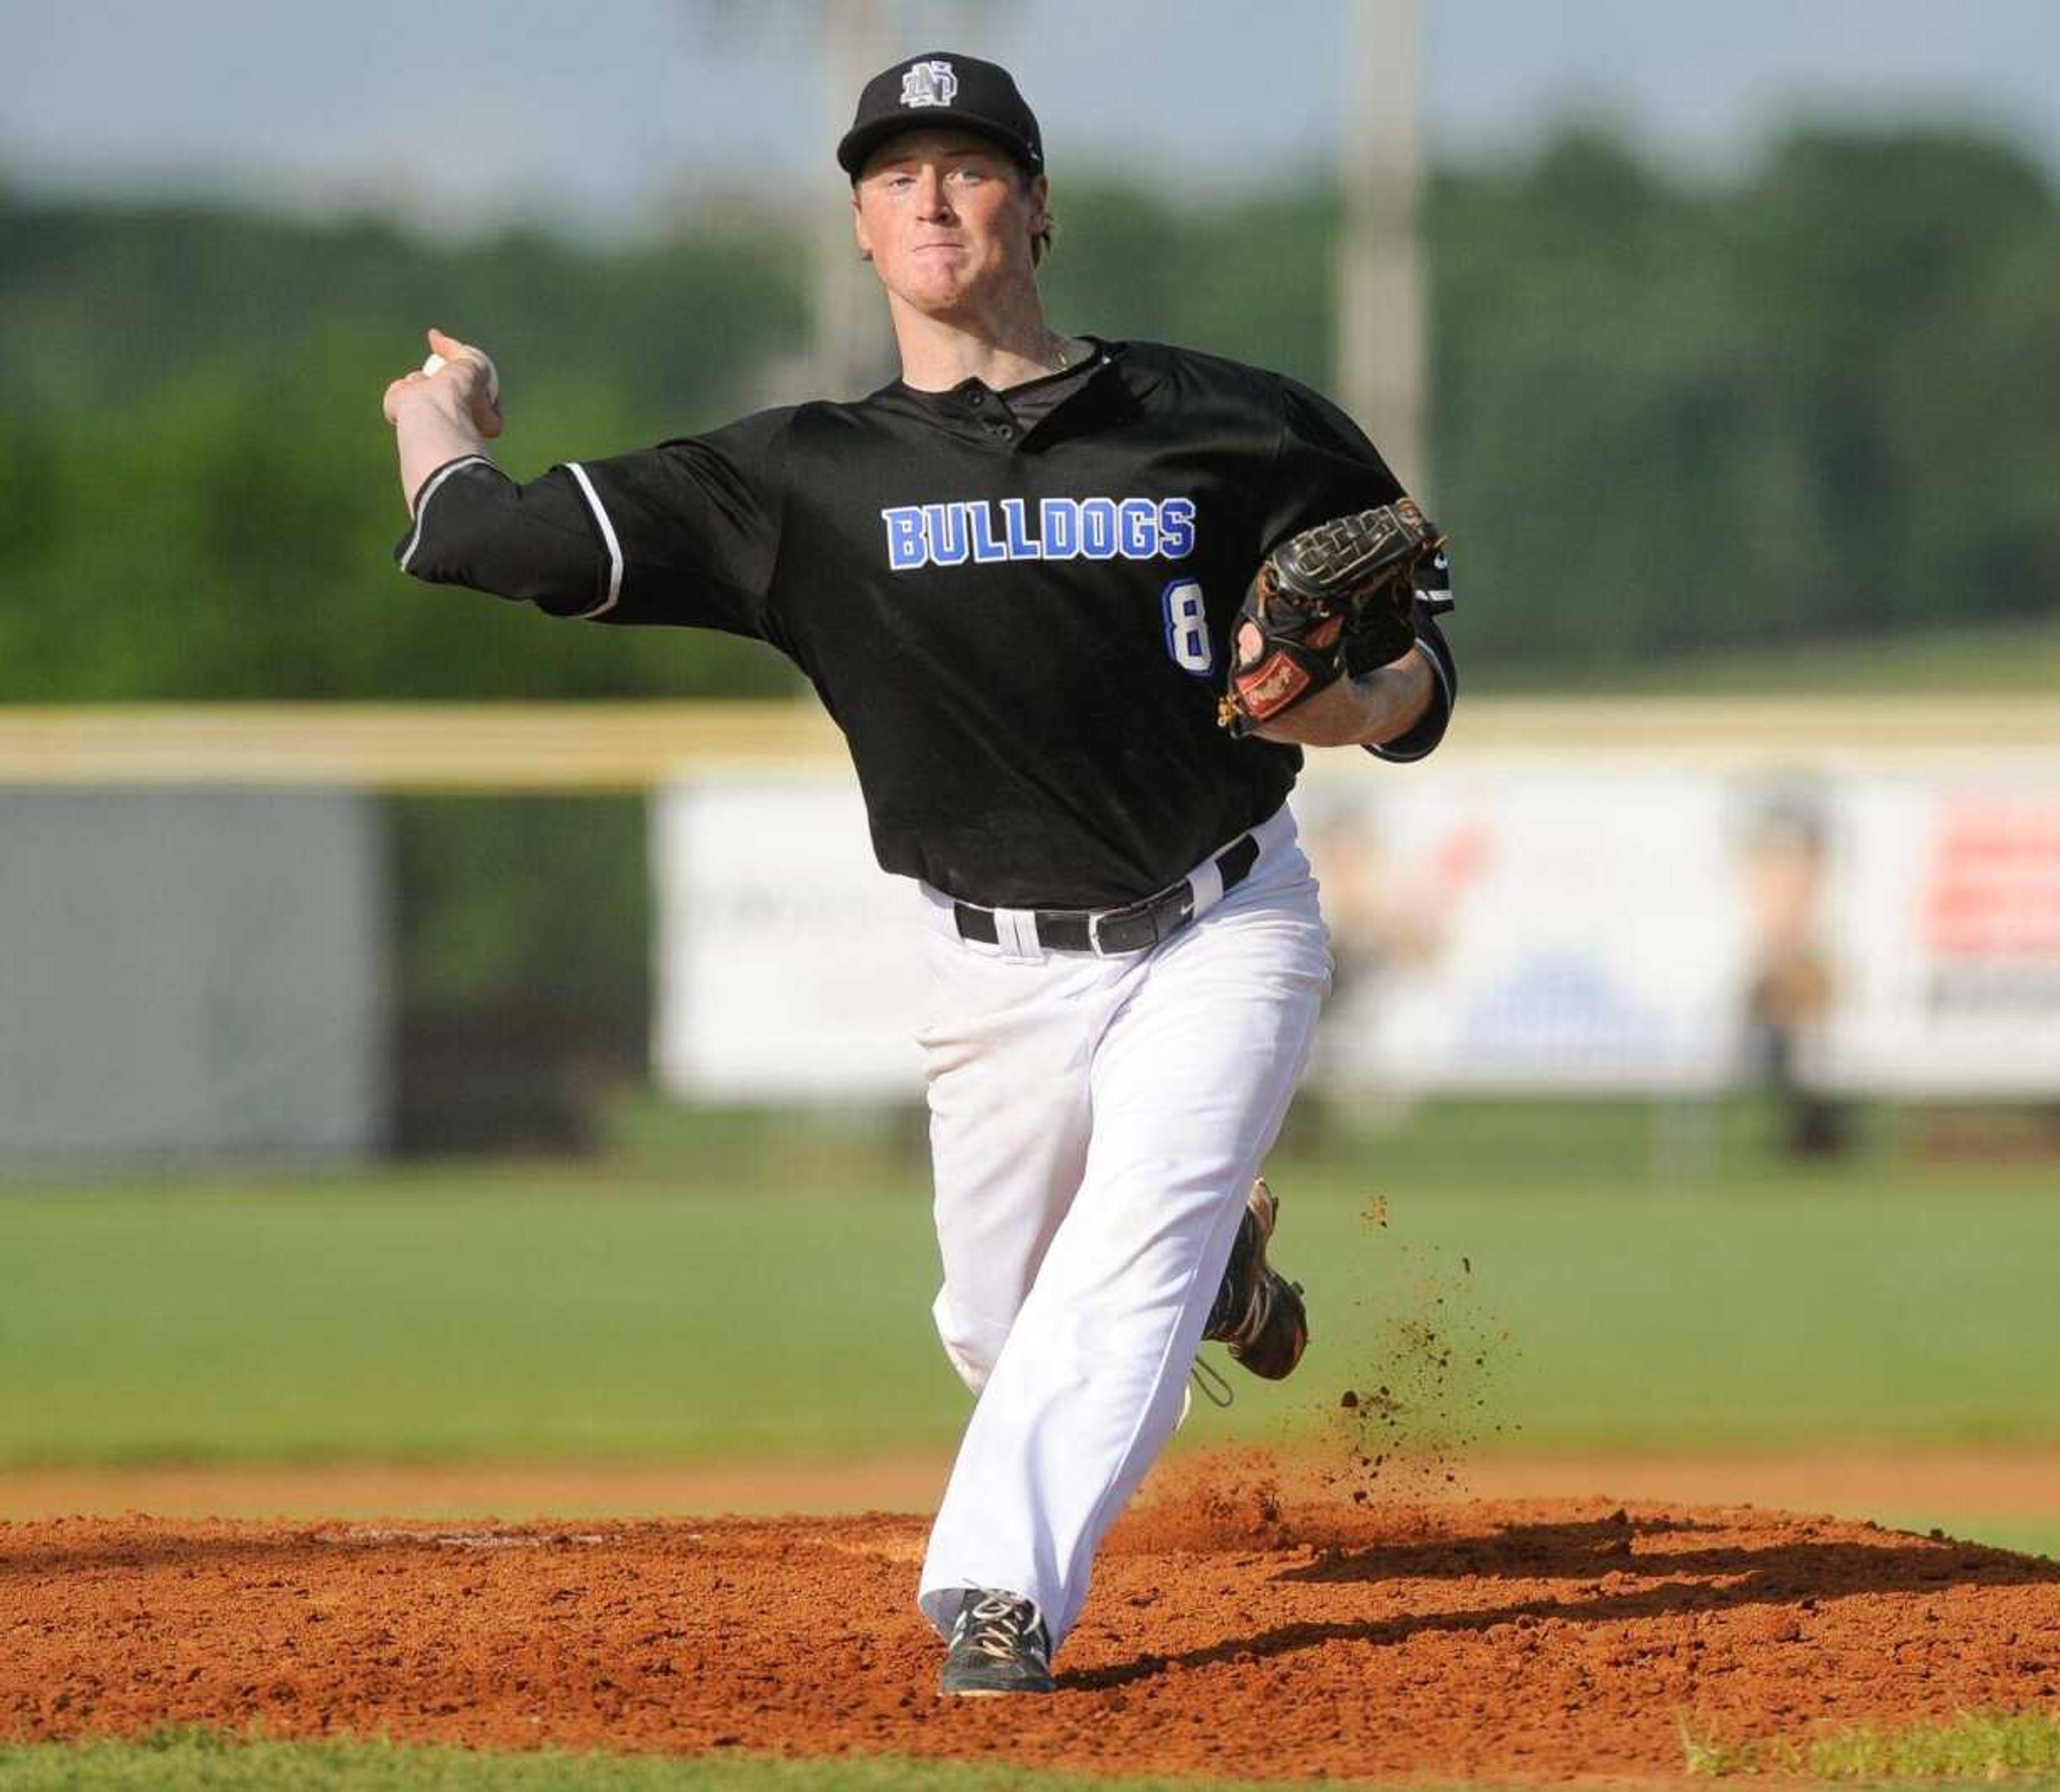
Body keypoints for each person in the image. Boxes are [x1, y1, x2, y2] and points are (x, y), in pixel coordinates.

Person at [379, 50, 1456, 1698]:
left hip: (1224, 916)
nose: (933, 196)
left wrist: (1360, 703)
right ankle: (1232, 1276)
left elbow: (1423, 662)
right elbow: (481, 539)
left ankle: (1001, 1600)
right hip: (994, 968)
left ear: (1037, 205)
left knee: (1132, 1262)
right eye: (896, 176)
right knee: (1004, 1328)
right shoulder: (802, 479)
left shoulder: (1236, 426)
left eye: (968, 166)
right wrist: (430, 420)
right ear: (864, 235)